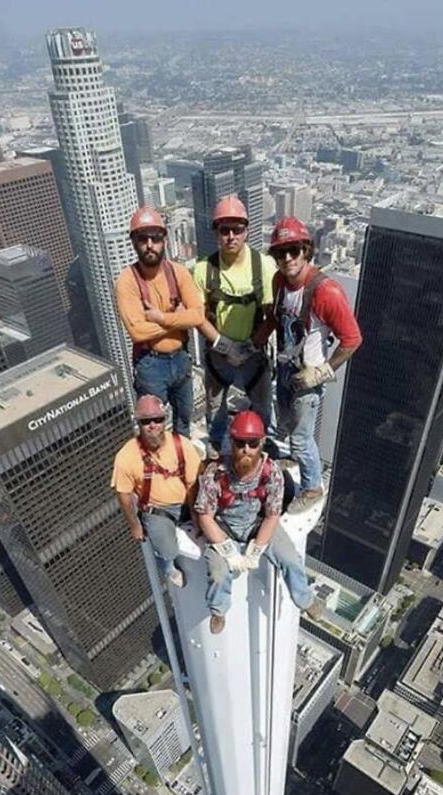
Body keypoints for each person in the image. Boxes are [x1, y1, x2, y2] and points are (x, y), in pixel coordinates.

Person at [194, 410, 322, 634]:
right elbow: (204, 515)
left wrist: (257, 549)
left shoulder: (271, 473)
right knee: (218, 573)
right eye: (241, 443)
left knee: (291, 560)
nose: (246, 450)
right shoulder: (216, 473)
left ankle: (305, 600)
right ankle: (219, 609)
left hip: (258, 525)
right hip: (225, 529)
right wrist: (226, 549)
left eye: (252, 443)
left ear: (262, 442)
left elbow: (272, 515)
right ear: (232, 442)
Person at [268, 217, 362, 512]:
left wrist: (322, 372)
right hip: (285, 367)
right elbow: (276, 319)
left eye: (293, 250)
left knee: (301, 437)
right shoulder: (279, 282)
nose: (287, 258)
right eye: (281, 252)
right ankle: (296, 460)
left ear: (306, 249)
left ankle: (312, 487)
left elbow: (352, 338)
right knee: (285, 422)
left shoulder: (326, 291)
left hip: (309, 374)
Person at [193, 196, 276, 457]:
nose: (231, 236)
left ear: (246, 230)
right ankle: (216, 445)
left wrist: (252, 344)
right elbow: (198, 316)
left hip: (254, 351)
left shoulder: (262, 265)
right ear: (217, 233)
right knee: (214, 407)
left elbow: (271, 314)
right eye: (224, 230)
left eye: (237, 229)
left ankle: (263, 444)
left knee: (262, 406)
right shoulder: (204, 270)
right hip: (219, 355)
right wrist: (224, 345)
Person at [116, 207, 204, 436]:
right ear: (134, 242)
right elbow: (137, 332)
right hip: (150, 364)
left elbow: (197, 315)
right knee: (152, 429)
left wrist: (160, 317)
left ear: (164, 239)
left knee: (185, 420)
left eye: (155, 237)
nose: (149, 244)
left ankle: (181, 464)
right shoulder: (127, 281)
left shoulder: (179, 273)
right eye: (142, 238)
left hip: (181, 359)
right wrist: (178, 319)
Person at [111, 394, 201, 587]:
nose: (153, 425)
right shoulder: (126, 456)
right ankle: (168, 568)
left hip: (187, 501)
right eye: (146, 421)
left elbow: (194, 484)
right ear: (139, 424)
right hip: (158, 510)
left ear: (164, 420)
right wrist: (134, 525)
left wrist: (196, 514)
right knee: (168, 550)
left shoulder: (181, 445)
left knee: (211, 526)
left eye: (157, 420)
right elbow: (123, 496)